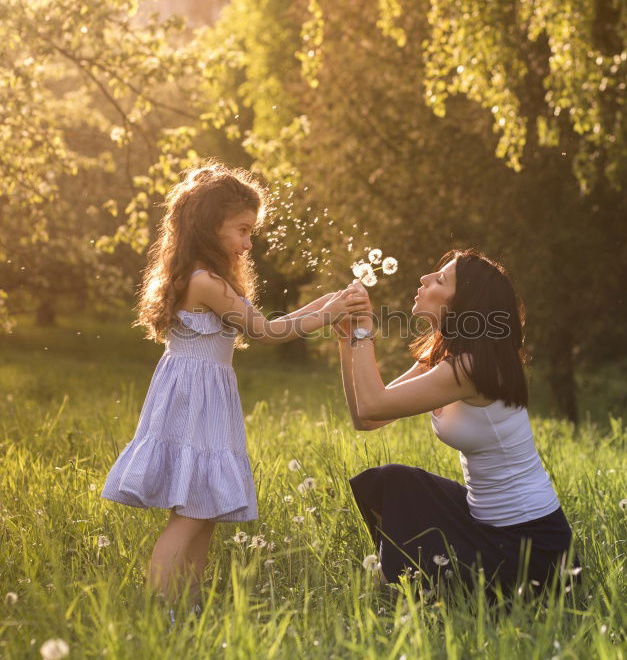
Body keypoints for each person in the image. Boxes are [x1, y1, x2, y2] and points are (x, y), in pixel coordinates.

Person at [101, 161, 367, 622]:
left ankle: (188, 607)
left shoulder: (202, 278)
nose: (248, 243)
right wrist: (330, 311)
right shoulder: (206, 283)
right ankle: (157, 610)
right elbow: (266, 332)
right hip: (194, 399)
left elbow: (273, 324)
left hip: (201, 394)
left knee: (201, 508)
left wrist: (329, 303)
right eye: (242, 231)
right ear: (209, 225)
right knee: (188, 515)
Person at [335, 249, 578, 604]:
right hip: (488, 526)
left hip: (530, 547)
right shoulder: (446, 356)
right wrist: (347, 342)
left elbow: (373, 403)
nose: (424, 280)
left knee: (400, 490)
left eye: (440, 280)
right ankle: (413, 592)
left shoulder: (472, 368)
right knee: (393, 483)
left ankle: (414, 596)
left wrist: (363, 331)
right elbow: (367, 417)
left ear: (462, 304)